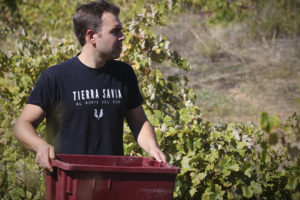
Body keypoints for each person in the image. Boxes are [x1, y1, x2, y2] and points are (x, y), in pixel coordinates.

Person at [14, 0, 166, 172]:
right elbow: (23, 125)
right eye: (115, 32)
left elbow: (139, 122)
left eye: (121, 31)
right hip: (68, 183)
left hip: (111, 181)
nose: (122, 37)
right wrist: (39, 145)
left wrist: (153, 148)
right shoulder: (56, 77)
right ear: (91, 36)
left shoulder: (124, 74)